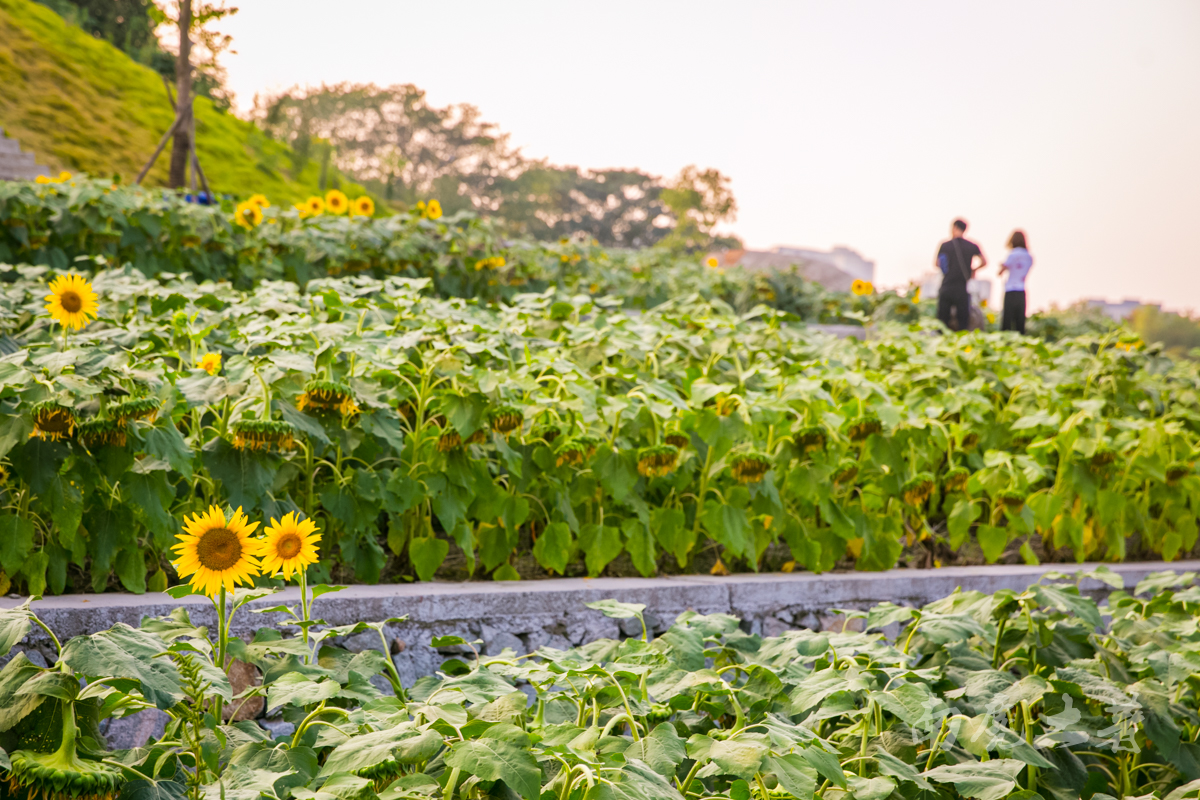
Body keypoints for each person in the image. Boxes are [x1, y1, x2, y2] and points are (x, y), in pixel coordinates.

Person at [935, 219, 986, 331]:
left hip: (947, 286)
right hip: (962, 288)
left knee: (942, 323)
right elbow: (984, 261)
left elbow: (937, 263)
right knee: (963, 323)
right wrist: (973, 270)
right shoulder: (972, 245)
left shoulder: (945, 245)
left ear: (954, 228)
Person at [997, 230, 1033, 334]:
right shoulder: (1029, 256)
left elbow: (1001, 272)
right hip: (1021, 290)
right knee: (1020, 323)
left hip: (1010, 290)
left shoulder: (1012, 254)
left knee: (1007, 323)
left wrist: (1002, 266)